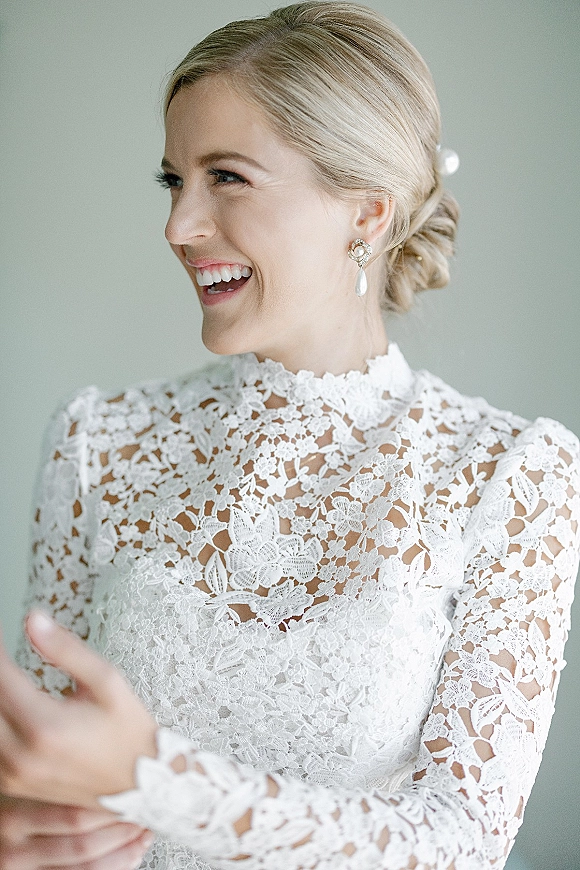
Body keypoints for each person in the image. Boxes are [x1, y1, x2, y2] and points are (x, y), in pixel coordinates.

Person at [0, 2, 578, 868]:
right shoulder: (97, 443)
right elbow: (34, 792)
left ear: (368, 214)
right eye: (173, 181)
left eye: (226, 176)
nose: (179, 226)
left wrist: (159, 781)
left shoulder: (508, 473)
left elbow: (463, 840)